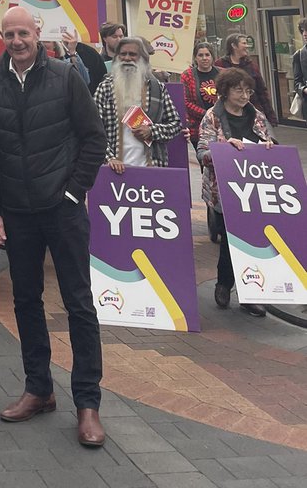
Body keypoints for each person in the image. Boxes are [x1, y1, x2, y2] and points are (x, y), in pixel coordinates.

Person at [0, 6, 107, 448]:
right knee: (26, 301)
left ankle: (87, 403)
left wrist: (73, 192)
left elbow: (94, 139)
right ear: (2, 38)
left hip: (62, 209)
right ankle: (39, 389)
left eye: (24, 33)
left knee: (79, 304)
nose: (17, 41)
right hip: (17, 212)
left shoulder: (65, 77)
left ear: (37, 33)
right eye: (9, 35)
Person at [197, 67, 275, 318]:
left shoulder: (256, 115)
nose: (244, 95)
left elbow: (271, 144)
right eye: (238, 90)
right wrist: (223, 148)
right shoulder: (212, 116)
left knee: (253, 239)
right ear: (225, 91)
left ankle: (250, 294)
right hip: (224, 191)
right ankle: (224, 284)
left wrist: (269, 146)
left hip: (255, 190)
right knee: (231, 241)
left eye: (248, 91)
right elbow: (202, 152)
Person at [94, 37, 182, 171]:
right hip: (114, 169)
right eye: (123, 54)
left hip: (151, 168)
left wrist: (152, 131)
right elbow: (94, 129)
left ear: (143, 58)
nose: (127, 58)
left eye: (132, 54)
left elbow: (175, 124)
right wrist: (110, 158)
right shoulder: (105, 88)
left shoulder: (157, 88)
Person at [216, 33, 277, 124]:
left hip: (252, 111)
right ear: (234, 46)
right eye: (244, 43)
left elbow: (261, 91)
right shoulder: (220, 64)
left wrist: (270, 115)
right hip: (229, 114)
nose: (247, 46)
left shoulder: (251, 65)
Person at [181, 42, 219, 151]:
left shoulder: (222, 73)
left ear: (212, 56)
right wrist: (207, 114)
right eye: (200, 55)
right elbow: (186, 102)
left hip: (220, 126)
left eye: (207, 55)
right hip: (197, 128)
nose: (204, 58)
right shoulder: (187, 75)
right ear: (195, 58)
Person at [293, 19, 307, 114]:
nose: (305, 34)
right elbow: (297, 83)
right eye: (303, 31)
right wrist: (304, 89)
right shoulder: (299, 55)